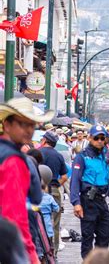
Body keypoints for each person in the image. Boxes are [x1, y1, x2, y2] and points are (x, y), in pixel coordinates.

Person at [0, 97, 54, 264]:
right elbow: (15, 214)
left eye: (32, 125)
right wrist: (31, 254)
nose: (29, 130)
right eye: (23, 124)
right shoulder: (13, 160)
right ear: (7, 125)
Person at [70, 125, 109, 259]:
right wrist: (76, 202)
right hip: (88, 201)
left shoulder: (105, 155)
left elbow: (105, 180)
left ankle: (98, 260)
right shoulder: (82, 157)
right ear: (90, 138)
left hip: (101, 200)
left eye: (102, 138)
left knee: (106, 234)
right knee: (87, 236)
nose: (99, 141)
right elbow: (75, 181)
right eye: (96, 138)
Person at [39, 131, 68, 254]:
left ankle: (41, 250)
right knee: (55, 224)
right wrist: (56, 185)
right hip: (55, 190)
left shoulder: (38, 153)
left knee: (38, 221)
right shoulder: (58, 155)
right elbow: (65, 176)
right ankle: (53, 252)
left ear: (45, 141)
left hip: (39, 191)